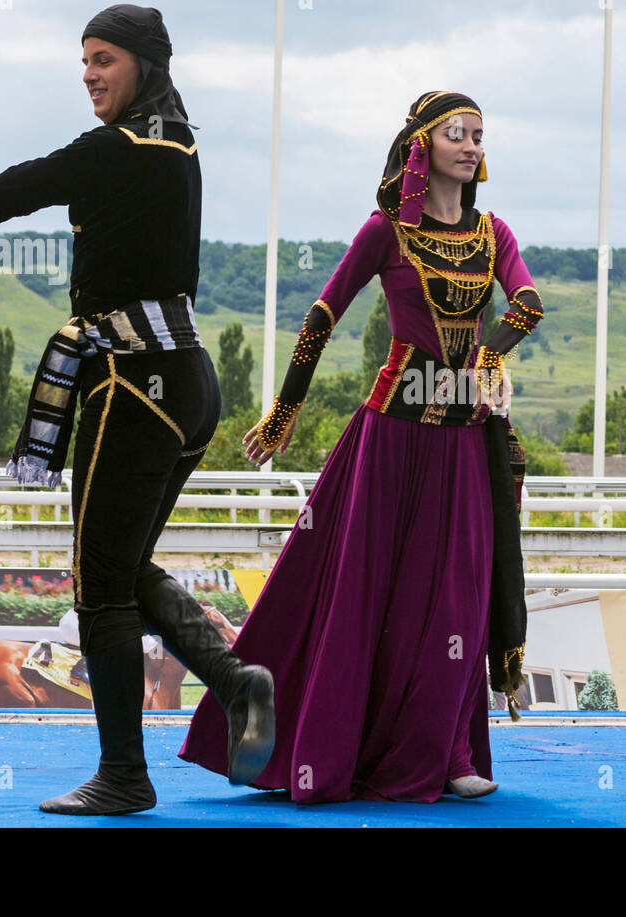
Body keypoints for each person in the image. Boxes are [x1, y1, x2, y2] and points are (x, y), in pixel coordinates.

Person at [0, 4, 276, 815]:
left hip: (134, 384)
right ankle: (236, 680)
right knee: (120, 565)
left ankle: (125, 772)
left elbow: (22, 184)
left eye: (104, 59)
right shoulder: (180, 142)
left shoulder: (118, 147)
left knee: (98, 585)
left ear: (144, 64)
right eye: (83, 60)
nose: (89, 73)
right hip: (187, 380)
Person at [179, 90, 542, 803]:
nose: (471, 146)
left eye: (478, 135)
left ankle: (449, 750)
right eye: (457, 134)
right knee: (365, 596)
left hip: (466, 440)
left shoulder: (493, 233)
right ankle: (332, 746)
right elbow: (321, 316)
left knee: (460, 599)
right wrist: (284, 410)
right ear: (422, 147)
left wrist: (491, 355)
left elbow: (526, 303)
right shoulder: (385, 231)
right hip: (389, 439)